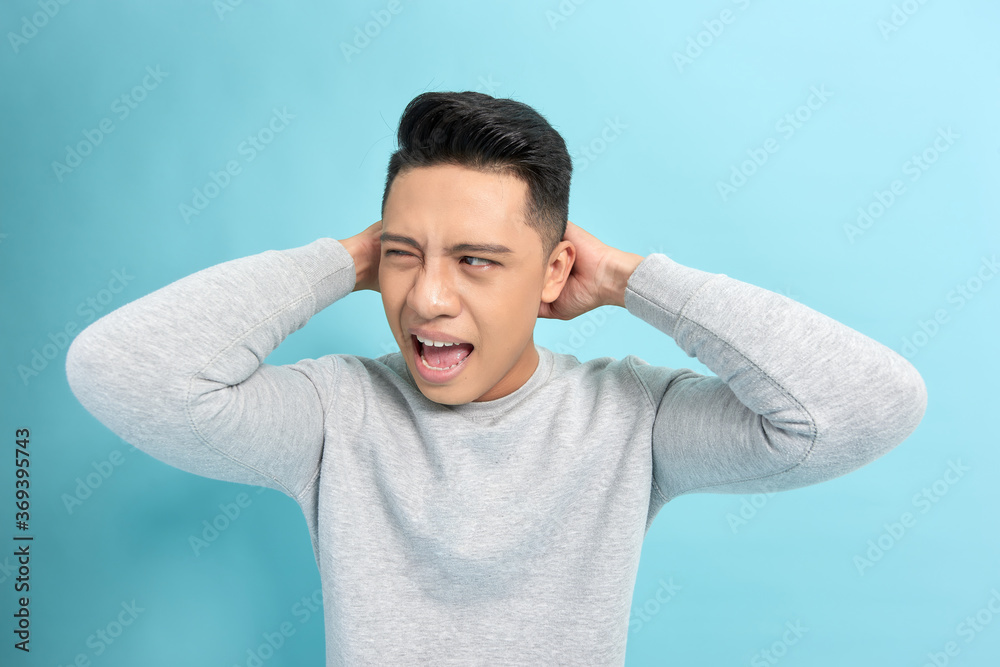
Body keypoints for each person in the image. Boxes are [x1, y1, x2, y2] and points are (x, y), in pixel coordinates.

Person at [65, 91, 927, 665]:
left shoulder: (631, 417)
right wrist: (347, 258)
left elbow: (860, 407)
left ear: (553, 272)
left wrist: (634, 281)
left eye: (476, 260)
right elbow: (123, 370)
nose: (427, 298)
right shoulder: (334, 414)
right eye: (403, 258)